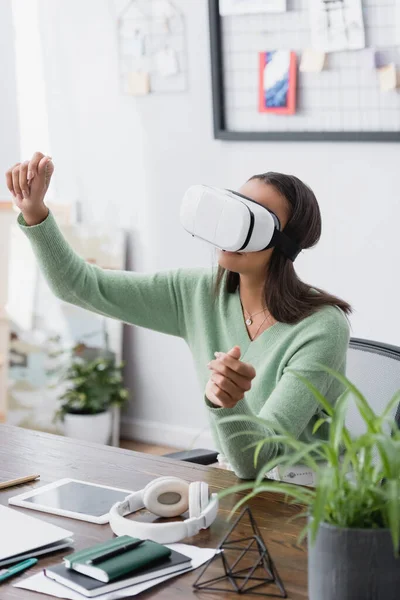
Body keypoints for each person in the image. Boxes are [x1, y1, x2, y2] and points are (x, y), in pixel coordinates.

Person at [5, 152, 351, 479]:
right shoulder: (198, 293)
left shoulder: (322, 326)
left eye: (252, 221)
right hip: (237, 481)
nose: (230, 231)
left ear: (285, 244)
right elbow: (80, 286)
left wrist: (228, 403)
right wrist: (35, 211)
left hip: (309, 497)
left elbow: (262, 458)